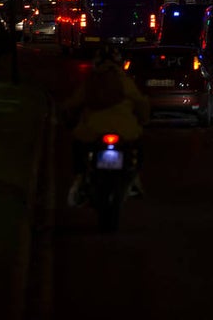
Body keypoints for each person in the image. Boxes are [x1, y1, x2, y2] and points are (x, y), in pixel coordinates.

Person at [63, 44, 151, 206]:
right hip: (125, 131)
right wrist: (143, 120)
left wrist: (68, 117)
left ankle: (80, 180)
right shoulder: (125, 81)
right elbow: (141, 104)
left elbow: (73, 104)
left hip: (92, 131)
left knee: (78, 149)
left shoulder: (91, 81)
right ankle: (134, 182)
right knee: (138, 150)